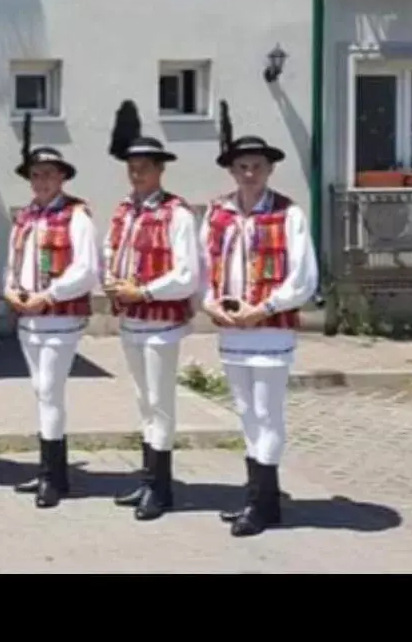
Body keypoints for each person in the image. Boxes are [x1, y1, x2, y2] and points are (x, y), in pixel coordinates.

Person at [200, 101, 319, 538]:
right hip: (232, 331)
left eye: (257, 166)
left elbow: (304, 277)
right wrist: (211, 302)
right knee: (246, 412)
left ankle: (262, 502)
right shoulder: (217, 213)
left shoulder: (288, 214)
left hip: (268, 330)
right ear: (232, 171)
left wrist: (264, 308)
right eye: (241, 166)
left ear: (269, 170)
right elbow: (203, 266)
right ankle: (260, 499)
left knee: (268, 413)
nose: (249, 173)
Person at [100, 101, 201, 522]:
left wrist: (142, 291)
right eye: (132, 167)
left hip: (160, 321)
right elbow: (111, 248)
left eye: (145, 167)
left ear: (160, 169)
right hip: (131, 321)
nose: (137, 174)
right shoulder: (125, 209)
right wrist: (111, 277)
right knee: (143, 400)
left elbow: (187, 274)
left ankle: (161, 488)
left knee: (160, 402)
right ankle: (147, 479)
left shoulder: (176, 212)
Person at [4, 114, 100, 509]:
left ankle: (54, 478)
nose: (42, 182)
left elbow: (87, 269)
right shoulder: (25, 217)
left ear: (62, 178)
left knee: (50, 390)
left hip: (59, 317)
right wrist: (11, 289)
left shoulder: (76, 215)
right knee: (41, 391)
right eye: (36, 175)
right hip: (30, 316)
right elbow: (12, 261)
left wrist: (49, 294)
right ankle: (49, 471)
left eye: (49, 175)